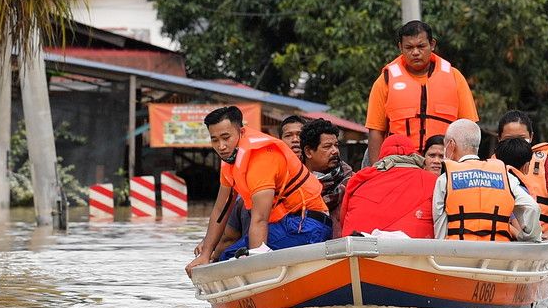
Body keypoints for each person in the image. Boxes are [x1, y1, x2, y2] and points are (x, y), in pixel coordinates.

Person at [186, 106, 330, 273]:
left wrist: (255, 268)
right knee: (222, 257)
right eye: (215, 140)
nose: (221, 146)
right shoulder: (229, 159)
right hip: (283, 225)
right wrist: (205, 254)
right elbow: (220, 209)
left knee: (229, 260)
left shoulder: (260, 157)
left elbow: (260, 219)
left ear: (240, 131)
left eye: (226, 137)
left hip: (307, 225)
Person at [365, 20, 478, 164]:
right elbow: (376, 131)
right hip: (401, 164)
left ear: (432, 44)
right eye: (409, 47)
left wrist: (466, 166)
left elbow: (469, 129)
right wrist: (377, 170)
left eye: (421, 46)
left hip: (443, 163)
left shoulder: (455, 78)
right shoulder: (385, 80)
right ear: (400, 47)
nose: (415, 52)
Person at [433, 119, 539, 242]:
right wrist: (526, 238)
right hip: (498, 254)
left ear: (451, 144)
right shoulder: (505, 176)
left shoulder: (445, 179)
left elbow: (440, 228)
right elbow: (532, 208)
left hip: (459, 255)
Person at [340, 133, 438, 238]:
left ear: (382, 155)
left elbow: (342, 218)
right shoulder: (433, 181)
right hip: (414, 251)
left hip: (358, 249)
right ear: (413, 154)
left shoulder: (359, 180)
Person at [496, 110, 548, 237]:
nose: (515, 144)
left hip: (543, 231)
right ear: (499, 138)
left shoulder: (546, 162)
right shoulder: (490, 165)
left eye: (521, 139)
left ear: (531, 137)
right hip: (503, 233)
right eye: (509, 139)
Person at [300, 118, 353, 229]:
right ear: (308, 152)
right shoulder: (293, 184)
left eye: (336, 145)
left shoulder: (352, 181)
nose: (335, 151)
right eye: (327, 146)